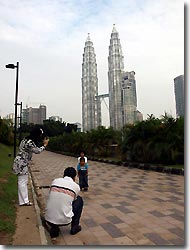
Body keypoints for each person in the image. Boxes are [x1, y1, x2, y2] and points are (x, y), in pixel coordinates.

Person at [12, 127, 49, 206]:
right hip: (22, 163)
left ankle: (23, 200)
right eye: (40, 135)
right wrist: (45, 145)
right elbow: (37, 151)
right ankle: (24, 201)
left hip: (21, 162)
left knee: (22, 181)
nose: (40, 137)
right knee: (22, 182)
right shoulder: (29, 142)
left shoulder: (25, 140)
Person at [43, 167, 83, 240]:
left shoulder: (55, 181)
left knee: (57, 199)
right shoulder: (76, 186)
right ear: (74, 177)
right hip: (65, 220)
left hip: (48, 218)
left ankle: (54, 227)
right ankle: (75, 226)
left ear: (63, 175)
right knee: (79, 200)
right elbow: (73, 200)